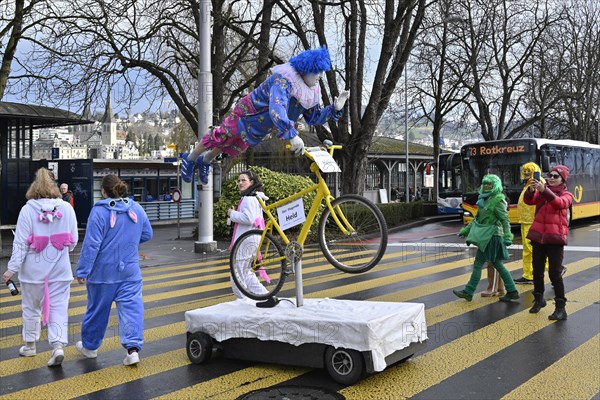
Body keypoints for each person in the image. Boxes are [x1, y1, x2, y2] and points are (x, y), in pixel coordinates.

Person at [180, 47, 349, 184]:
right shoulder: (283, 81)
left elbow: (314, 118)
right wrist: (292, 135)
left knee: (235, 144)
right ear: (306, 70)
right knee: (224, 135)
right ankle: (191, 158)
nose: (320, 76)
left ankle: (206, 160)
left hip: (259, 127)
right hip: (247, 114)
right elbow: (277, 109)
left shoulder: (308, 92)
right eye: (317, 72)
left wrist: (334, 108)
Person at [2, 168, 78, 367]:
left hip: (32, 274)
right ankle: (58, 347)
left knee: (31, 308)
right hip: (60, 272)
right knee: (58, 308)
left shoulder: (27, 210)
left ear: (33, 189)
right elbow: (73, 241)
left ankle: (30, 345)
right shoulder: (67, 209)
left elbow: (20, 244)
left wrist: (11, 270)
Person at [75, 174, 153, 365]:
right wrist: (130, 242)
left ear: (104, 191)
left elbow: (92, 245)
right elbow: (148, 233)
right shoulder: (136, 208)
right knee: (132, 310)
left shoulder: (99, 212)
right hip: (130, 271)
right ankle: (132, 350)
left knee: (97, 310)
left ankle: (90, 347)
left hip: (103, 273)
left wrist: (83, 270)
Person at [453, 174, 519, 302]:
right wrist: (465, 230)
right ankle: (511, 291)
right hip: (486, 237)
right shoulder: (484, 200)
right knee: (495, 264)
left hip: (492, 237)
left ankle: (469, 291)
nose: (487, 187)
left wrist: (507, 236)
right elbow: (477, 219)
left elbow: (505, 220)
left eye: (490, 184)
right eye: (485, 184)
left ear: (496, 186)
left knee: (482, 264)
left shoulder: (497, 200)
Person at [524, 165, 572, 320]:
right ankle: (539, 299)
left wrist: (543, 189)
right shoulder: (542, 191)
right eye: (550, 175)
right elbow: (529, 201)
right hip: (539, 237)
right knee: (537, 271)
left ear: (562, 179)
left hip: (555, 239)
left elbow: (559, 203)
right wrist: (531, 190)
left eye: (555, 176)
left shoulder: (567, 194)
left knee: (554, 273)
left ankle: (560, 308)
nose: (551, 178)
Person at [228, 170, 269, 299]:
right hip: (252, 239)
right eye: (239, 180)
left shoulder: (248, 198)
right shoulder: (256, 197)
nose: (240, 183)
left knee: (236, 275)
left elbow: (249, 218)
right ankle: (265, 296)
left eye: (243, 180)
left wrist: (231, 214)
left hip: (245, 240)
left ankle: (243, 302)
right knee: (246, 273)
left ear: (251, 182)